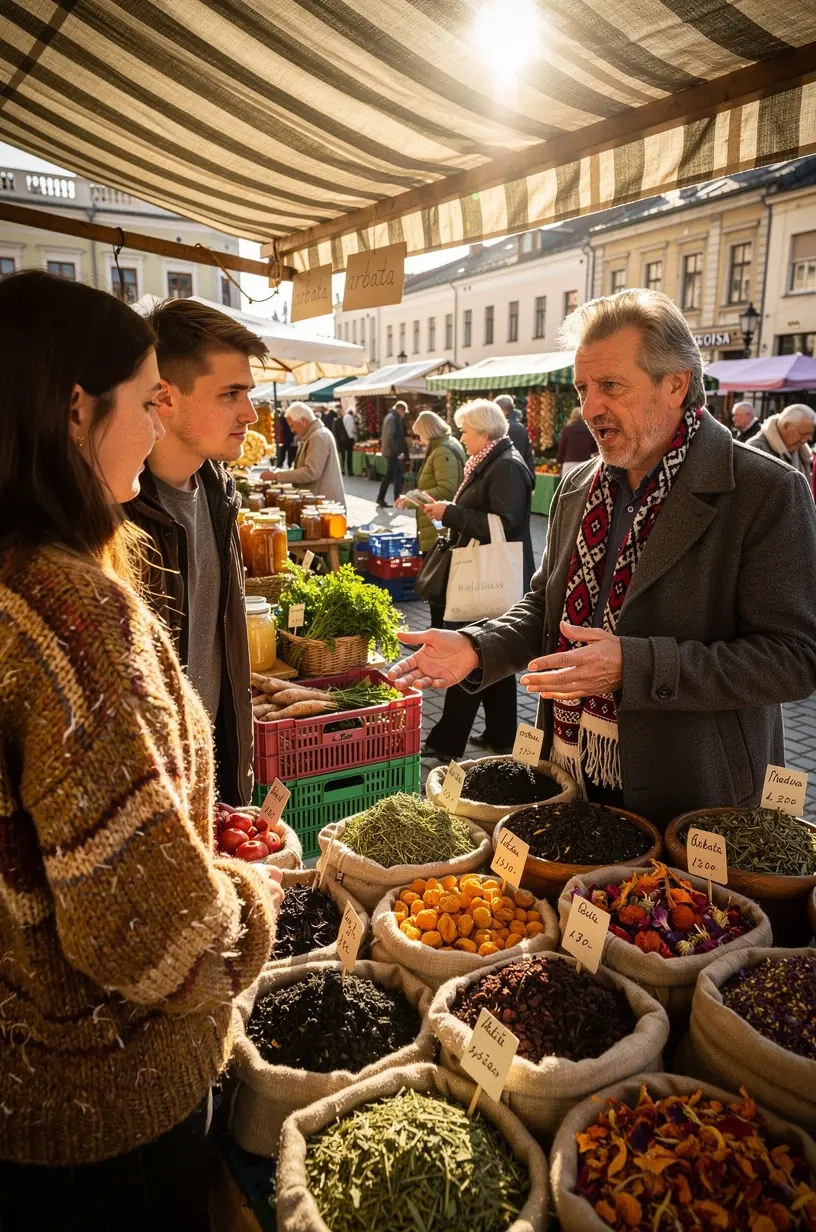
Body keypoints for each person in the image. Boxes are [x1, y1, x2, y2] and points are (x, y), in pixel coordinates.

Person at [0, 270, 282, 1231]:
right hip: (100, 1105)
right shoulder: (73, 615)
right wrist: (256, 899)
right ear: (79, 411)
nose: (156, 420)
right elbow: (151, 937)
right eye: (146, 399)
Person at [390, 289, 816, 826]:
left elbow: (795, 659)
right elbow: (545, 608)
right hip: (571, 777)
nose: (590, 408)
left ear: (675, 384)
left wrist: (634, 667)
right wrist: (477, 646)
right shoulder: (578, 487)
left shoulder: (765, 490)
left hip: (695, 795)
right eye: (583, 388)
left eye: (610, 385)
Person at [125, 296, 267, 806]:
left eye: (248, 393)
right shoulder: (115, 512)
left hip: (212, 769)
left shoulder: (219, 490)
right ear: (165, 396)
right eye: (230, 394)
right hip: (148, 786)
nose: (250, 414)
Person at [419, 399, 534, 759]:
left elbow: (504, 525)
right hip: (489, 579)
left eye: (466, 431)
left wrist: (451, 513)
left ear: (484, 432)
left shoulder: (505, 466)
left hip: (488, 579)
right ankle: (502, 735)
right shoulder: (491, 461)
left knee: (467, 652)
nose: (462, 437)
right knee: (496, 655)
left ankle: (446, 742)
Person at [395, 410, 465, 626]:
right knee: (440, 585)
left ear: (428, 431)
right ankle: (437, 628)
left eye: (419, 434)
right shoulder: (445, 446)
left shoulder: (442, 451)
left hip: (438, 527)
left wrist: (414, 497)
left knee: (437, 584)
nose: (419, 439)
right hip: (436, 524)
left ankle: (437, 630)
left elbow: (447, 488)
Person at [261, 401, 345, 504]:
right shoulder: (312, 435)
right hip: (318, 500)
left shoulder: (318, 436)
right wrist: (279, 473)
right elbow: (303, 468)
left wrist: (277, 476)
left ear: (304, 421)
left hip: (324, 503)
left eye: (292, 426)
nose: (292, 430)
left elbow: (311, 472)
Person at [748, 403, 816, 480]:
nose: (804, 440)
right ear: (785, 426)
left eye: (809, 434)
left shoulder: (804, 453)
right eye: (803, 434)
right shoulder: (755, 449)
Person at [377, 399, 409, 507]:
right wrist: (398, 452)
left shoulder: (391, 417)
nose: (404, 415)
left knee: (393, 475)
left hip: (391, 452)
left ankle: (392, 498)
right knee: (394, 475)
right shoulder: (393, 418)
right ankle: (389, 499)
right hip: (392, 453)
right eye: (404, 412)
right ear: (400, 409)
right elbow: (390, 438)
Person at [495, 393, 536, 478]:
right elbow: (528, 457)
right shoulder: (522, 429)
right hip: (519, 476)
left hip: (500, 477)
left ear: (499, 410)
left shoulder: (496, 429)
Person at [556, 406, 599, 477]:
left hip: (569, 463)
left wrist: (559, 460)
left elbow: (562, 447)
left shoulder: (566, 430)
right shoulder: (589, 431)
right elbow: (594, 448)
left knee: (568, 484)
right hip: (584, 463)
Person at [333, 404, 356, 475]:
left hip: (341, 440)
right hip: (347, 439)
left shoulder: (336, 421)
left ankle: (342, 469)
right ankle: (349, 470)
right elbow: (351, 429)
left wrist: (337, 441)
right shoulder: (346, 418)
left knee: (343, 456)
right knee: (349, 455)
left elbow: (335, 432)